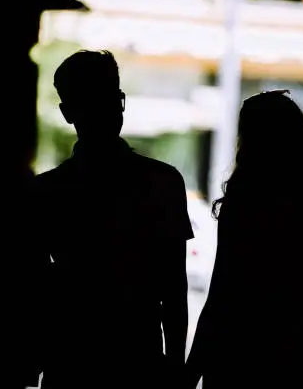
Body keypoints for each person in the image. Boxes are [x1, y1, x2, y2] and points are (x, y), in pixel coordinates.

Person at [185, 90, 303, 388]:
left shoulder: (242, 205)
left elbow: (221, 296)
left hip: (237, 357)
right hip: (300, 360)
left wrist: (191, 372)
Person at [31, 50, 194, 389]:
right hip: (139, 363)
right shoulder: (163, 182)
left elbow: (34, 290)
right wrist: (176, 370)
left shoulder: (47, 192)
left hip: (72, 365)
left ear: (67, 112)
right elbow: (173, 290)